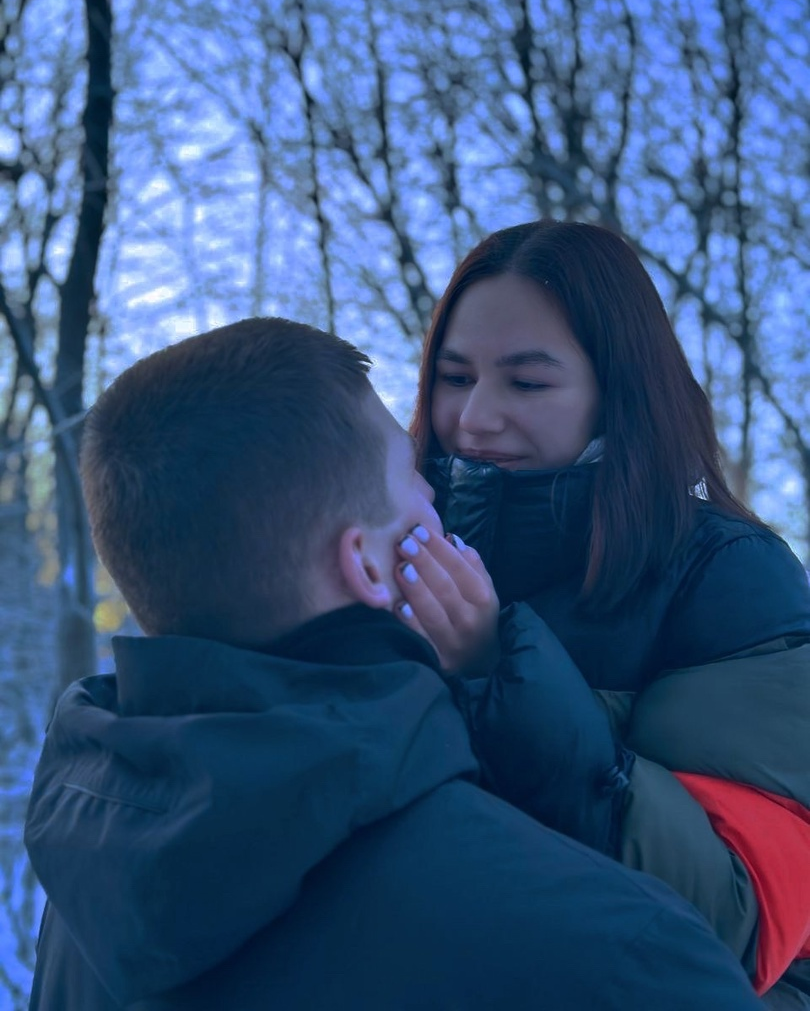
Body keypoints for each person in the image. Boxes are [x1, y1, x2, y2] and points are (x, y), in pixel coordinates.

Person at [24, 317, 763, 1011]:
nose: (438, 486)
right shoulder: (632, 957)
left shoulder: (88, 891)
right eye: (411, 473)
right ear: (370, 566)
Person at [397, 219, 810, 1008]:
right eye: (454, 377)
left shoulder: (729, 575)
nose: (476, 417)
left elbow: (742, 920)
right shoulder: (391, 546)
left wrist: (498, 669)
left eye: (526, 383)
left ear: (619, 393)